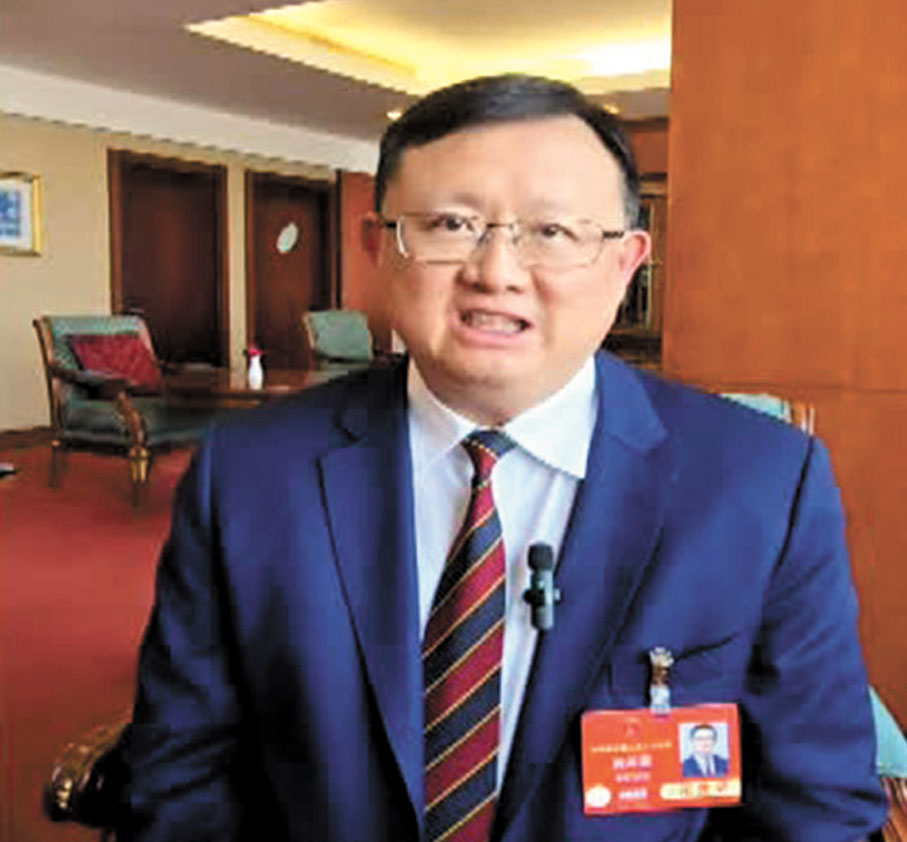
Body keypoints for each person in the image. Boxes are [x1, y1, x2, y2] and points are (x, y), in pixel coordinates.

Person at [119, 74, 887, 841]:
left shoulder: (762, 487)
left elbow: (813, 811)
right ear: (379, 247)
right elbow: (181, 779)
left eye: (551, 232)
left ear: (625, 262)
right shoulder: (249, 473)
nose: (494, 271)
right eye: (450, 224)